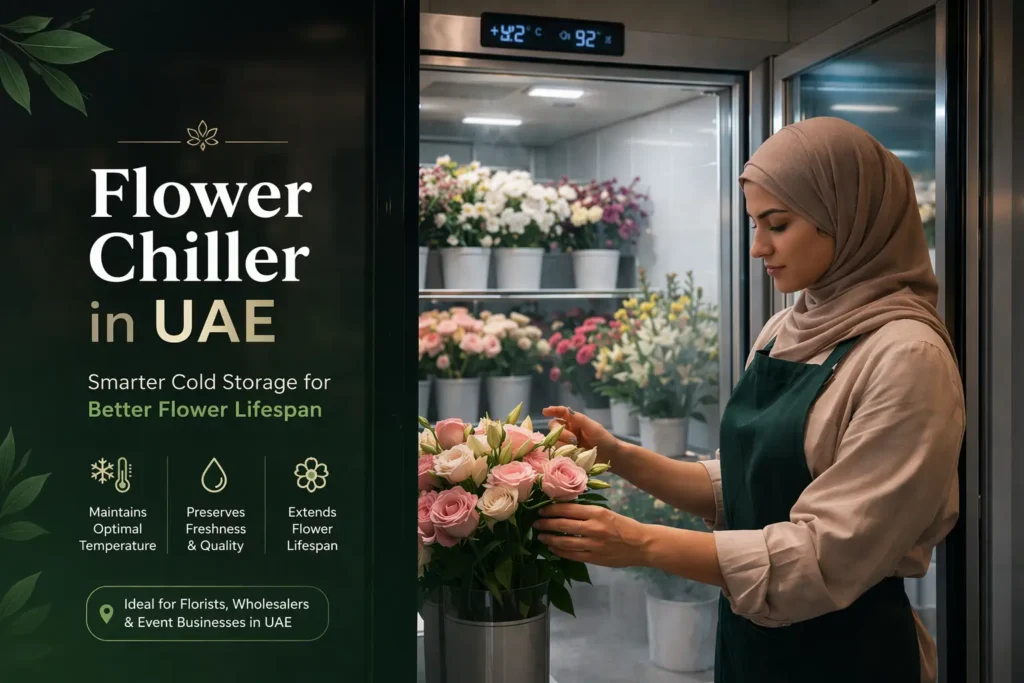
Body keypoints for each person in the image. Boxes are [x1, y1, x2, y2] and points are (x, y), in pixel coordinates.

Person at [534, 117, 965, 683]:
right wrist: (617, 454)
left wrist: (640, 542)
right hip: (750, 638)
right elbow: (745, 482)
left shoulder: (908, 357)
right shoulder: (784, 329)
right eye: (754, 223)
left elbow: (821, 556)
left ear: (848, 219)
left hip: (844, 650)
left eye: (778, 224)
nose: (758, 246)